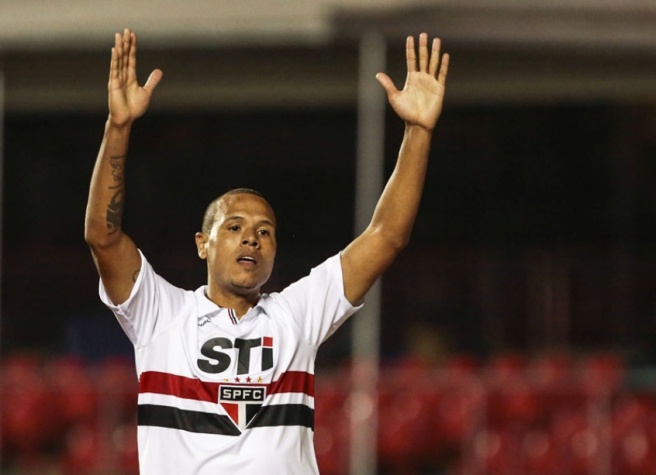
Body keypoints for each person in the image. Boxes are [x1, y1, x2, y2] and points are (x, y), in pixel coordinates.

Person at [85, 28, 449, 475]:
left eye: (265, 231)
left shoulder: (296, 314)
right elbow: (103, 236)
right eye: (234, 227)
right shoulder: (161, 314)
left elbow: (386, 237)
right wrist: (118, 125)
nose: (251, 238)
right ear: (203, 244)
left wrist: (418, 131)